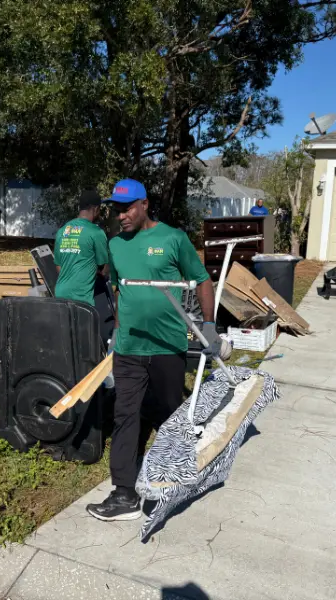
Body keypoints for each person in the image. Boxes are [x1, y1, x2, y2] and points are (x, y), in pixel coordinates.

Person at [86, 178, 231, 521]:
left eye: (127, 209)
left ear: (145, 204)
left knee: (170, 415)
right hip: (129, 347)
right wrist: (116, 333)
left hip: (167, 345)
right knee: (125, 415)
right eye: (117, 210)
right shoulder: (115, 245)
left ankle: (177, 478)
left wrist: (209, 325)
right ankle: (124, 494)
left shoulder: (173, 239)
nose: (121, 216)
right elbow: (120, 290)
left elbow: (202, 280)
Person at [53, 190, 109, 305]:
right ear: (96, 209)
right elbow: (104, 268)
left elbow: (58, 266)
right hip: (83, 298)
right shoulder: (96, 232)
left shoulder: (63, 230)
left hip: (60, 294)